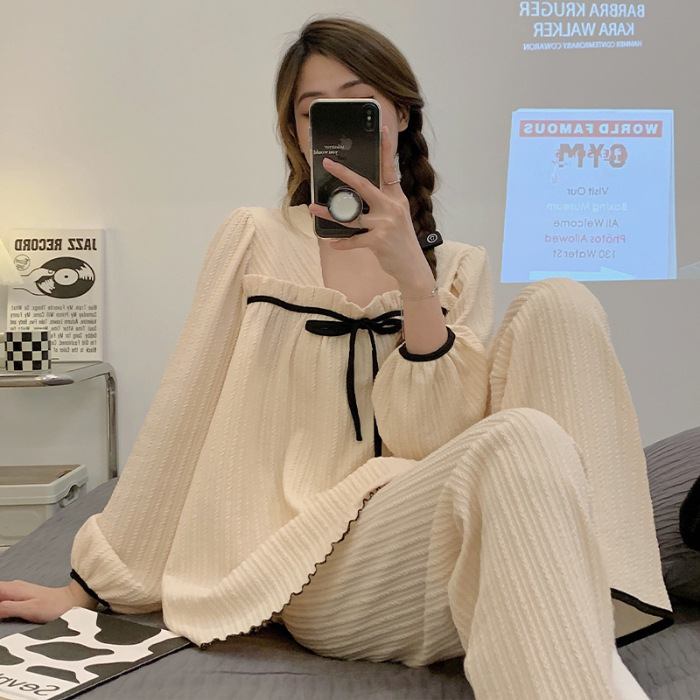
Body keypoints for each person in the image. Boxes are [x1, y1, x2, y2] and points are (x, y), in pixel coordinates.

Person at [0, 17, 672, 699]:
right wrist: (91, 586)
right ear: (297, 134)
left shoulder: (457, 269)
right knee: (523, 437)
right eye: (312, 111)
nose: (332, 123)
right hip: (314, 563)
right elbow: (184, 411)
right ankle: (586, 640)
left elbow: (432, 441)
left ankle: (600, 601)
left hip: (423, 530)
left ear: (399, 114)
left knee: (561, 303)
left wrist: (415, 282)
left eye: (355, 104)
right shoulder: (256, 239)